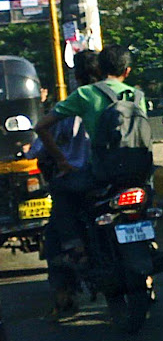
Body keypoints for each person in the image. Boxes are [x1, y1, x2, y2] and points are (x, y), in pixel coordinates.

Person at [34, 45, 147, 257]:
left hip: (101, 173)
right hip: (138, 173)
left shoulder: (85, 95)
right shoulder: (137, 96)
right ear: (127, 71)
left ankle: (75, 245)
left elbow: (41, 127)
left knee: (59, 189)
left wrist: (61, 162)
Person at [26, 50, 101, 319]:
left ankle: (65, 294)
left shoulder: (72, 104)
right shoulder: (122, 97)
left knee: (55, 235)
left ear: (75, 76)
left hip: (77, 181)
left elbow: (37, 145)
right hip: (111, 178)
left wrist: (60, 160)